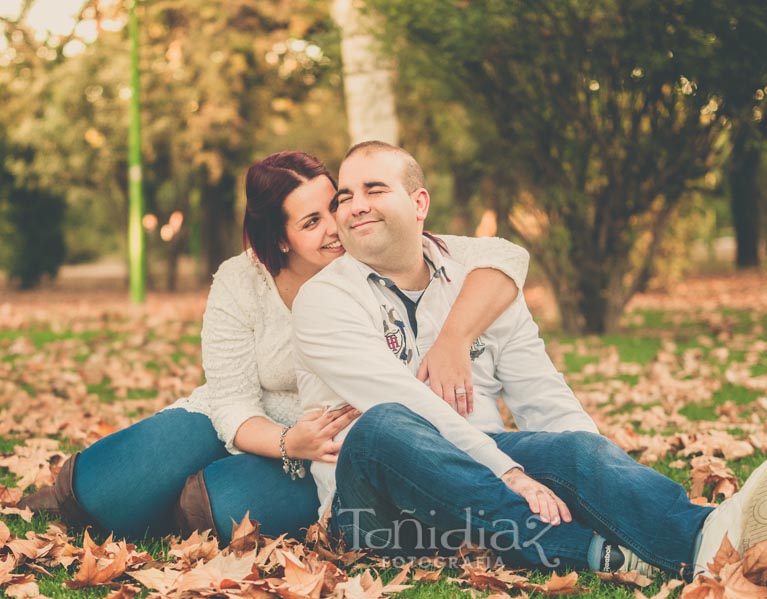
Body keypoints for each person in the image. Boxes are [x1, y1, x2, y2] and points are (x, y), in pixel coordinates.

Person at [290, 141, 767, 578]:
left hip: (479, 488)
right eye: (344, 196)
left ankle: (704, 536)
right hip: (380, 514)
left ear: (419, 202)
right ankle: (592, 552)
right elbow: (405, 402)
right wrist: (509, 472)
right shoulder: (324, 301)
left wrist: (590, 469)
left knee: (575, 449)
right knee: (383, 426)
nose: (354, 206)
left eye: (374, 189)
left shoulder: (479, 281)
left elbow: (541, 392)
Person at [18, 150, 531, 542]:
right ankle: (93, 501)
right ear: (280, 239)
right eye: (312, 223)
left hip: (332, 439)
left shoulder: (375, 244)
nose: (337, 227)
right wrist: (288, 442)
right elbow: (232, 403)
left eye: (335, 206)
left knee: (212, 506)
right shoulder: (240, 281)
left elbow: (504, 254)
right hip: (246, 422)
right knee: (103, 494)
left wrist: (454, 337)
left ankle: (180, 509)